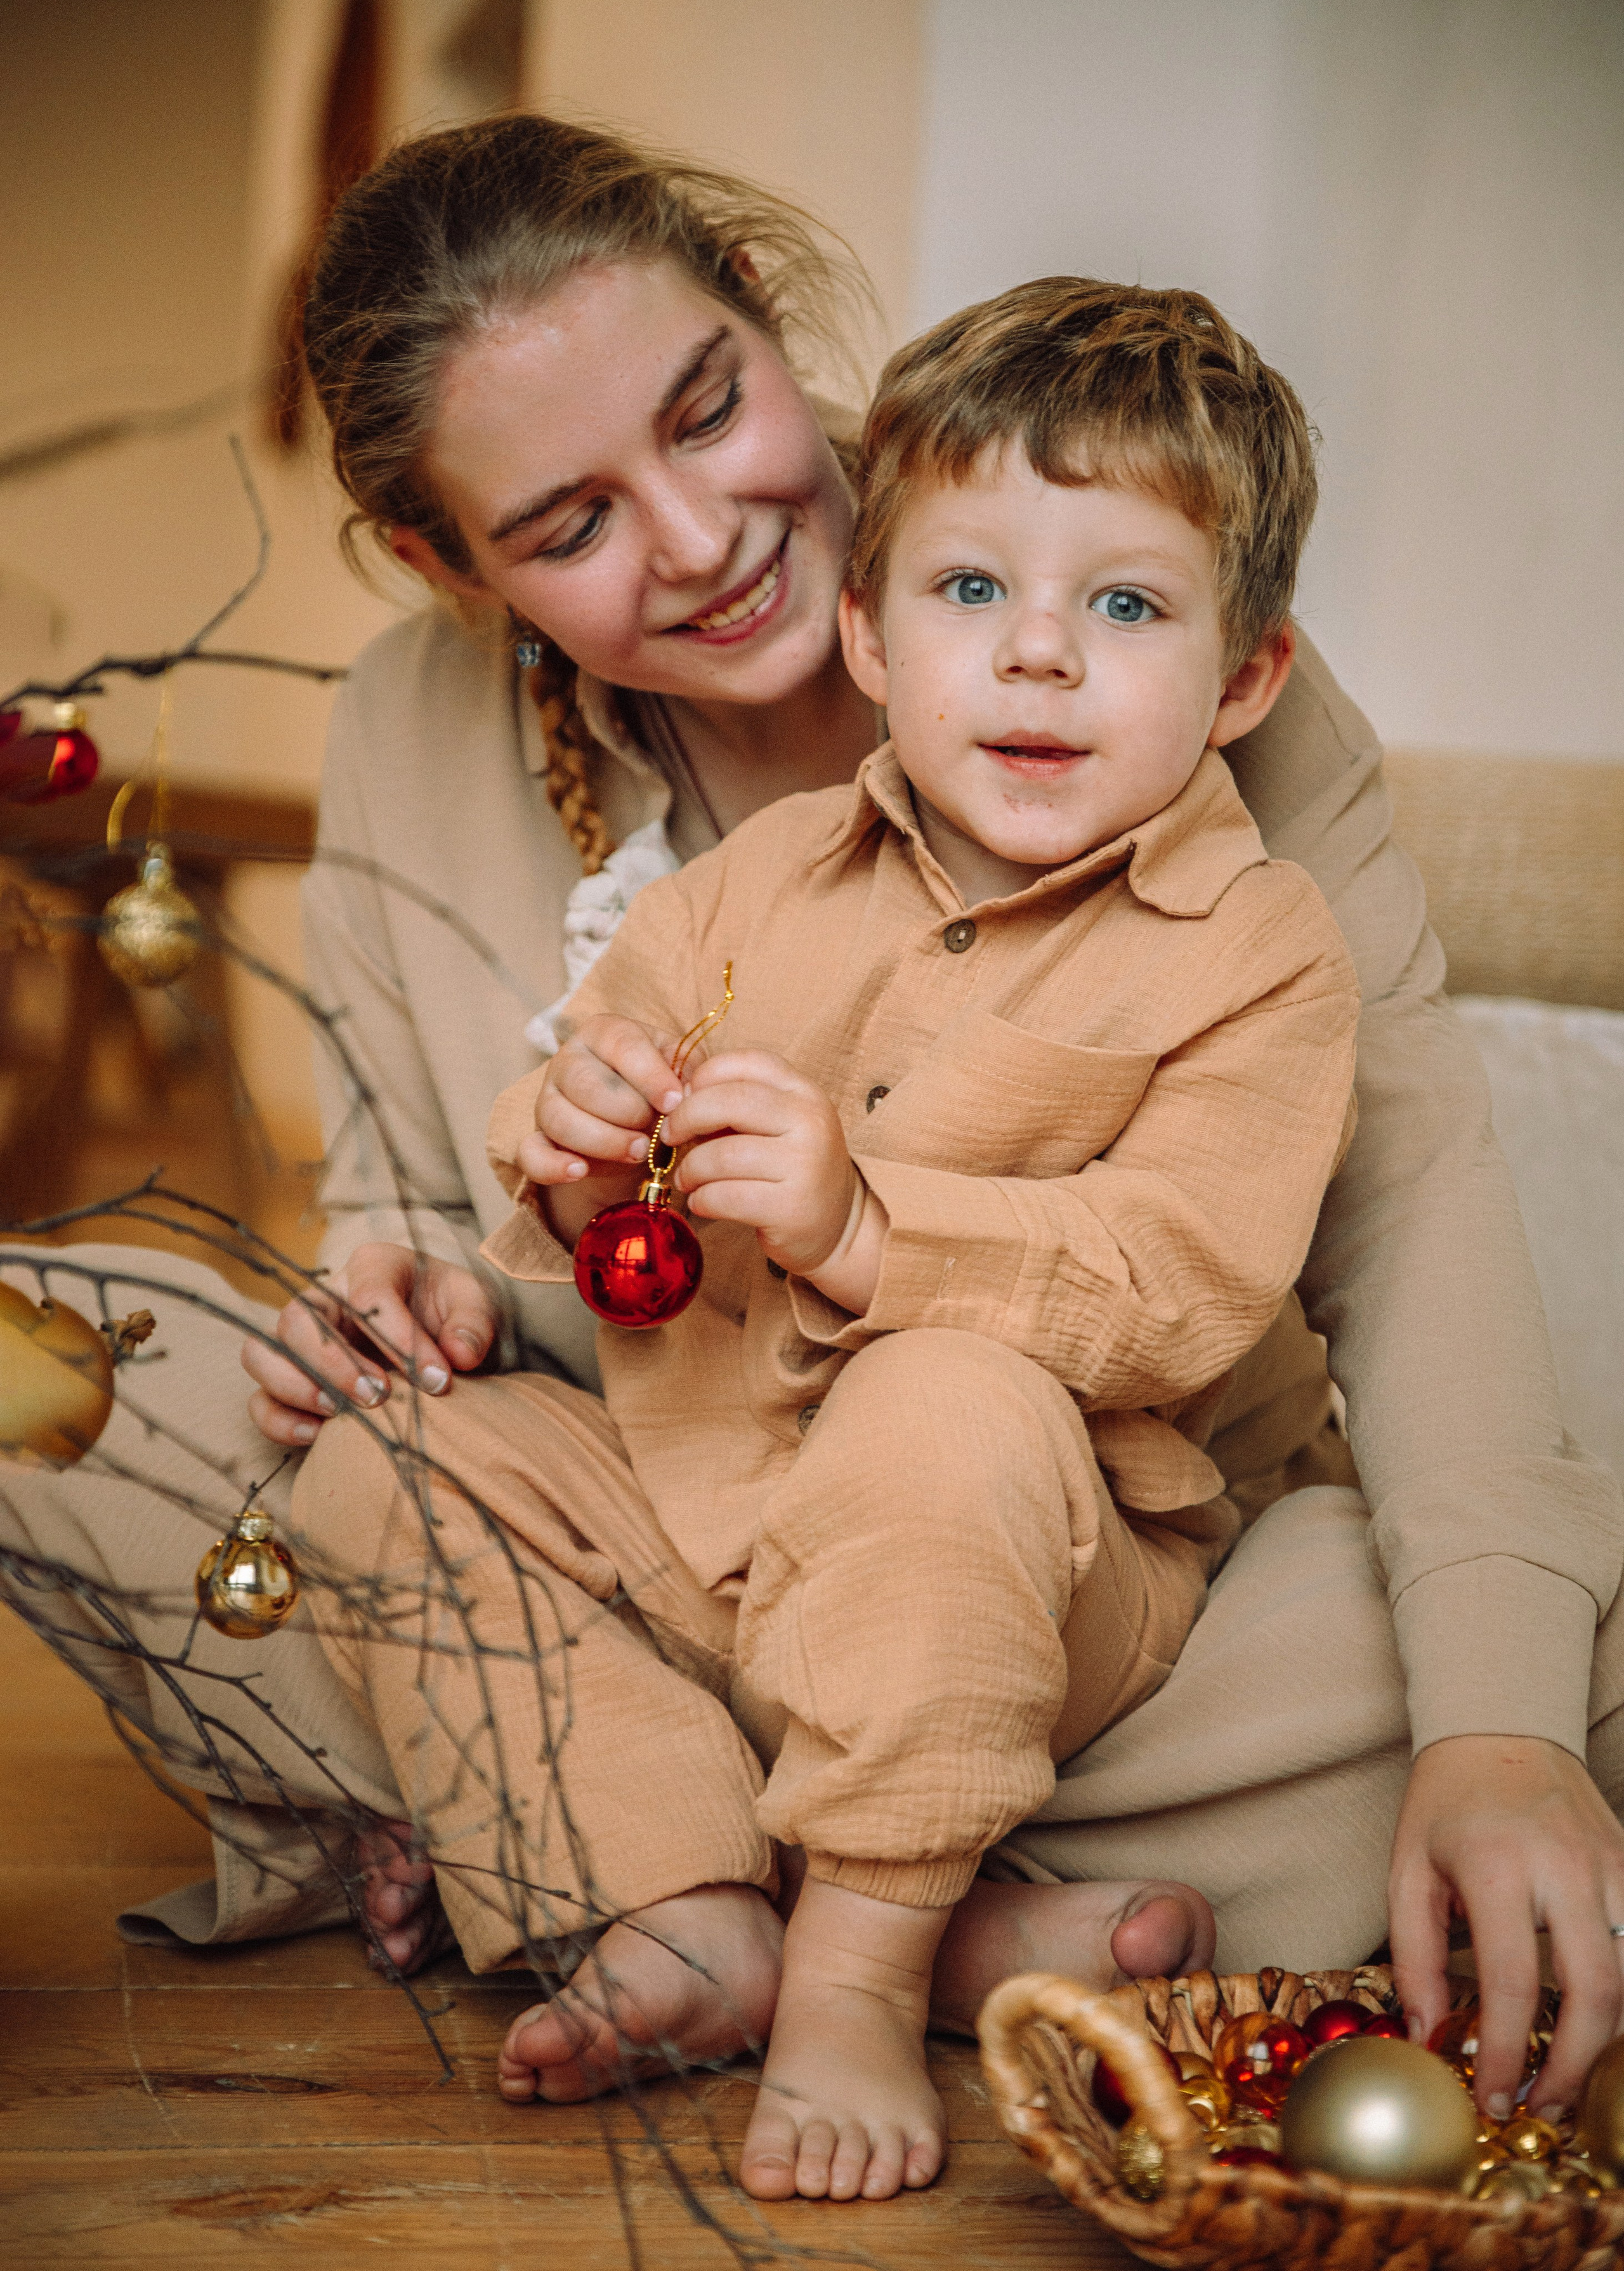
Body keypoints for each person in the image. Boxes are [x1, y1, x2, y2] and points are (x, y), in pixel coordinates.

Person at [2, 114, 1621, 2140]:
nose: (697, 538)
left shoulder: (1148, 626)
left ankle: (635, 1864)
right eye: (570, 525)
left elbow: (1413, 1217)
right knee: (91, 1379)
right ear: (446, 563)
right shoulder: (417, 738)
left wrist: (1494, 1731)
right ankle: (921, 1920)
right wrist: (404, 1279)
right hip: (654, 1520)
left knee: (1539, 1651)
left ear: (766, 318)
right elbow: (429, 1204)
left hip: (1082, 1589)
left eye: (710, 410)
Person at [294, 272, 1365, 2204]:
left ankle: (862, 1970)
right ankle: (694, 1903)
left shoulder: (1260, 946)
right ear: (868, 632)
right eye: (973, 596)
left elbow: (1185, 1287)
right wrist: (574, 1130)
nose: (1037, 661)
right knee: (382, 1465)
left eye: (1122, 608)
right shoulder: (757, 879)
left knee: (944, 1401)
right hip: (715, 1517)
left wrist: (875, 1238)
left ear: (1248, 677)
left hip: (1035, 1564)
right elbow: (558, 1174)